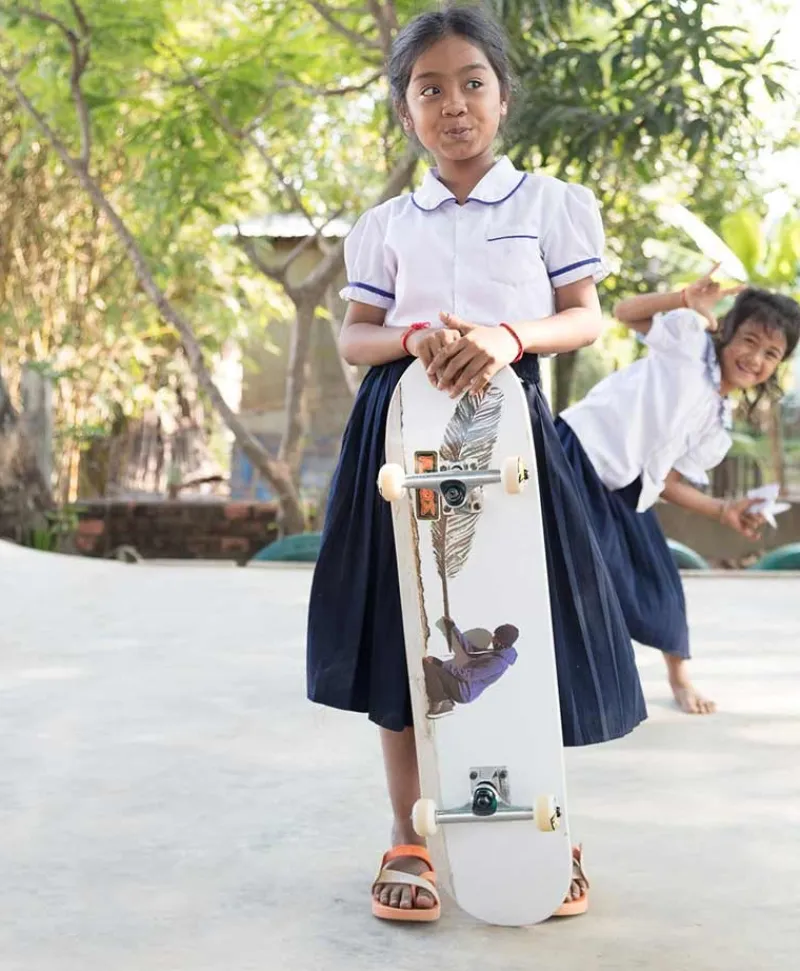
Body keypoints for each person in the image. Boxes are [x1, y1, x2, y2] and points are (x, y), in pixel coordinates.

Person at [306, 5, 645, 923]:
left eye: (471, 84)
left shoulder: (551, 204)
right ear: (405, 110)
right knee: (407, 628)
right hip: (398, 434)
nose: (453, 104)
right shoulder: (385, 224)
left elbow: (585, 316)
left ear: (502, 98)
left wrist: (506, 336)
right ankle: (408, 834)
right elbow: (356, 336)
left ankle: (548, 828)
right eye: (430, 89)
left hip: (513, 436)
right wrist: (414, 335)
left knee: (521, 624)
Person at [557, 267, 800, 714]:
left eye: (771, 353)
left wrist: (724, 510)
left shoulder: (717, 425)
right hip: (578, 455)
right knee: (584, 576)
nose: (755, 358)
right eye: (749, 341)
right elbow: (625, 312)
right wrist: (683, 299)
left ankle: (679, 677)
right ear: (727, 332)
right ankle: (576, 686)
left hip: (625, 485)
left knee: (660, 580)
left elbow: (667, 482)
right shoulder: (689, 344)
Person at [424, 617, 519, 717]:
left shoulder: (498, 663)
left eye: (496, 637)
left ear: (501, 642)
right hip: (461, 683)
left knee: (431, 668)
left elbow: (468, 675)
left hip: (463, 690)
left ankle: (442, 704)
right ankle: (446, 700)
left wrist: (442, 664)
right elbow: (471, 651)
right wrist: (453, 628)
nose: (493, 639)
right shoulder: (496, 653)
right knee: (433, 665)